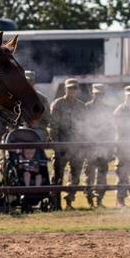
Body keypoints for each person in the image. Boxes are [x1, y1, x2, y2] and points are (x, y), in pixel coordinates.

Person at [47, 78, 85, 210]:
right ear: (65, 89)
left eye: (75, 88)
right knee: (57, 175)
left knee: (75, 175)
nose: (72, 91)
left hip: (77, 146)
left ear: (78, 90)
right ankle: (54, 202)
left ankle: (69, 202)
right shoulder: (58, 104)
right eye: (70, 88)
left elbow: (85, 126)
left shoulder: (81, 106)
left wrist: (83, 143)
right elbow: (53, 126)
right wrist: (56, 145)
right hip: (62, 145)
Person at [82, 83, 114, 208]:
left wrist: (110, 148)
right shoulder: (87, 108)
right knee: (89, 174)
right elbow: (82, 127)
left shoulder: (107, 109)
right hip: (90, 146)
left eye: (101, 94)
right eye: (97, 94)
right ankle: (89, 199)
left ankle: (99, 200)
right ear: (93, 94)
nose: (99, 96)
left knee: (102, 174)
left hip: (103, 146)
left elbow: (111, 129)